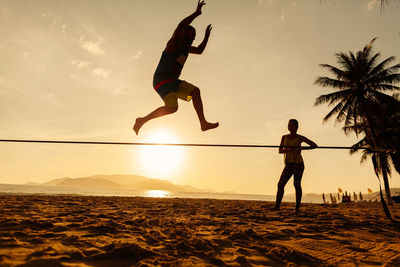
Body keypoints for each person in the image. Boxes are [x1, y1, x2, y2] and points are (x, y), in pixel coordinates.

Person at [133, 0, 219, 135]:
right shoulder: (174, 43)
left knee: (194, 93)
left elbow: (200, 50)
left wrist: (207, 36)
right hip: (162, 79)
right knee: (173, 108)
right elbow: (181, 25)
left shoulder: (186, 48)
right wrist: (197, 13)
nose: (194, 37)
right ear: (184, 33)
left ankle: (203, 123)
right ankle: (142, 120)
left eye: (195, 36)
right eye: (192, 34)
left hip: (173, 81)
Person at [273, 119, 318, 212]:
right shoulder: (284, 137)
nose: (291, 127)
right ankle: (277, 206)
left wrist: (301, 148)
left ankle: (297, 208)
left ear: (297, 127)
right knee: (280, 184)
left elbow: (314, 145)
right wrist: (288, 150)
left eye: (293, 125)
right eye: (289, 125)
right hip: (288, 164)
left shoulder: (300, 138)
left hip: (298, 164)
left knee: (296, 184)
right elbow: (280, 151)